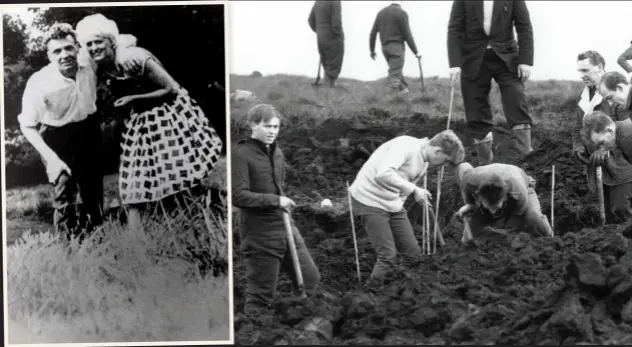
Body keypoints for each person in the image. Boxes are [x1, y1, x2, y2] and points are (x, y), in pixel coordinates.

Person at [75, 14, 223, 230]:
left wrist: (134, 99)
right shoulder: (100, 66)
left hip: (170, 113)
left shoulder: (134, 57)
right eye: (89, 44)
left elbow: (172, 89)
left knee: (180, 174)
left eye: (99, 41)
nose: (94, 47)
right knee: (133, 180)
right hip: (141, 120)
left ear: (111, 41)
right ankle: (136, 242)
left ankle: (204, 221)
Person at [232, 103, 321, 313]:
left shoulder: (278, 153)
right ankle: (255, 333)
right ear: (253, 125)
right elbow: (238, 195)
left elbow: (278, 188)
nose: (272, 131)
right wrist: (275, 200)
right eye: (267, 126)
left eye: (275, 127)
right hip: (259, 233)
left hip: (285, 226)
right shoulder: (241, 154)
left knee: (310, 278)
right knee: (261, 297)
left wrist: (281, 203)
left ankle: (294, 322)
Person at [18, 23, 103, 240]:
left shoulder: (90, 62)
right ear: (49, 56)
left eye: (68, 48)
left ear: (78, 48)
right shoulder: (39, 82)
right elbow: (27, 125)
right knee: (65, 191)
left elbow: (121, 44)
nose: (64, 55)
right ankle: (68, 250)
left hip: (88, 128)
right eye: (57, 51)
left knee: (93, 190)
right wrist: (52, 159)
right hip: (56, 135)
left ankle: (99, 244)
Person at [348, 130, 465, 284]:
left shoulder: (424, 159)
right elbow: (383, 174)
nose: (443, 166)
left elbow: (402, 182)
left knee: (413, 255)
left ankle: (404, 289)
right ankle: (369, 295)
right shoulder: (405, 147)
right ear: (437, 151)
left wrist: (411, 195)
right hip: (369, 200)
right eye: (445, 161)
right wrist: (414, 190)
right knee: (387, 256)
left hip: (392, 203)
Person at [447, 0, 535, 164]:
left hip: (506, 56)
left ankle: (527, 156)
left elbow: (524, 26)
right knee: (475, 108)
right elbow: (455, 29)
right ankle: (485, 163)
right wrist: (454, 64)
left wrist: (525, 61)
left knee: (516, 97)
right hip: (473, 58)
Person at [454, 162, 552, 243]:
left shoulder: (519, 192)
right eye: (489, 206)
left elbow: (513, 224)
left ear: (504, 197)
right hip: (489, 195)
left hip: (525, 189)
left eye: (496, 207)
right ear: (479, 196)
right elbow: (463, 166)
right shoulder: (470, 181)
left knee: (533, 219)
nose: (493, 211)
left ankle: (550, 239)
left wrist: (498, 234)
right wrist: (469, 206)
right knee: (473, 234)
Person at [578, 111, 632, 224]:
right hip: (612, 175)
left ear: (610, 131)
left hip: (625, 174)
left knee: (621, 208)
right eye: (597, 145)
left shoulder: (628, 135)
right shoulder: (606, 135)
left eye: (602, 143)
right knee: (611, 214)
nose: (600, 148)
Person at [369, 1, 421, 100]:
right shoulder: (402, 13)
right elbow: (407, 35)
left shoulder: (381, 13)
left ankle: (405, 98)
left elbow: (373, 33)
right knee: (394, 78)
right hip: (396, 47)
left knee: (397, 72)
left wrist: (372, 50)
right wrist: (416, 52)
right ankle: (384, 105)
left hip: (385, 48)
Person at [308, 0, 344, 88]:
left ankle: (327, 88)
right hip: (332, 36)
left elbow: (310, 20)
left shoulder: (318, 1)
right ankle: (328, 89)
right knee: (333, 63)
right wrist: (338, 34)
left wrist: (320, 31)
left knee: (327, 62)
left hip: (321, 36)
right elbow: (337, 21)